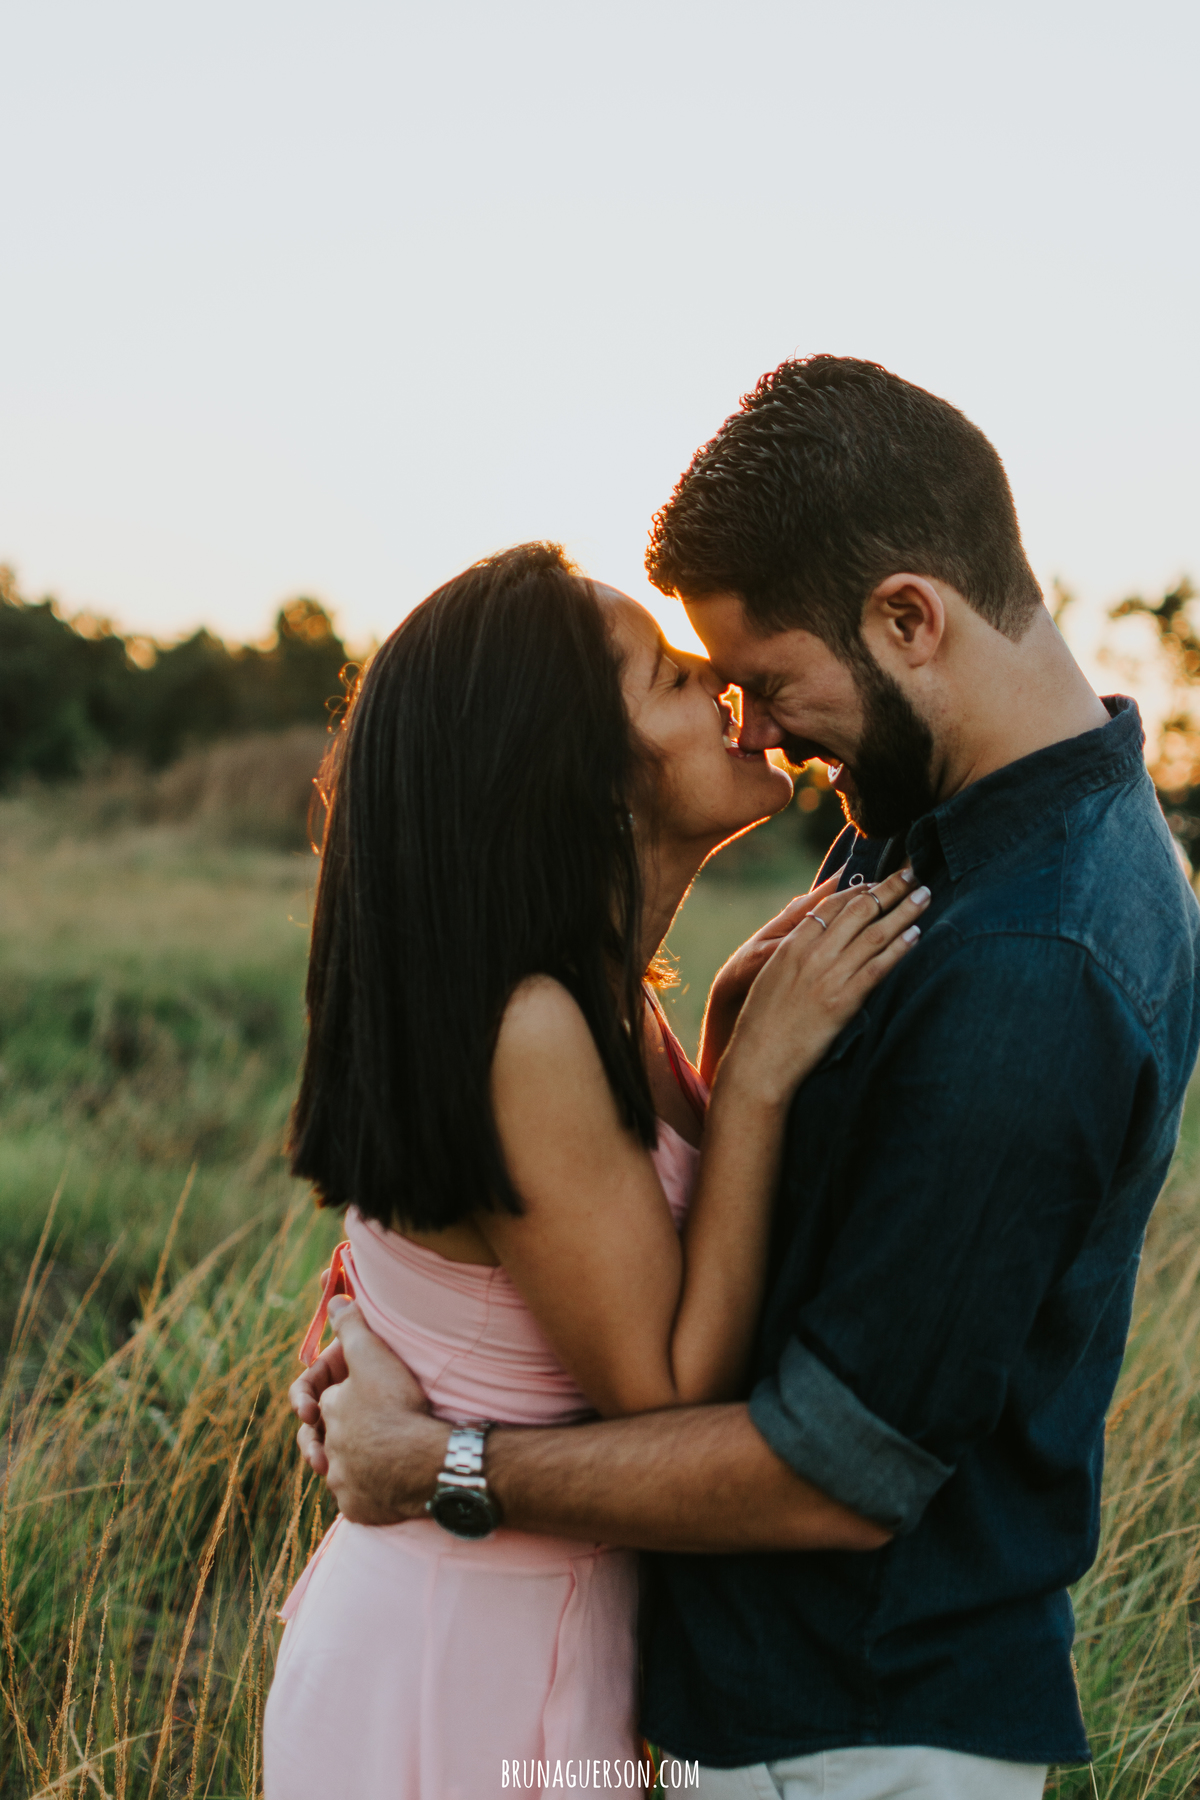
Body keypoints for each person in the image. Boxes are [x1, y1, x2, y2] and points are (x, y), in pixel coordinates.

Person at [294, 358, 1200, 1799]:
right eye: (695, 679)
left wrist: (440, 1460)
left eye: (763, 680)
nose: (754, 721)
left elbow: (835, 1467)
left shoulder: (1036, 953)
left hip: (852, 1731)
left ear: (910, 619)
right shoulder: (917, 827)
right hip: (634, 1693)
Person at [261, 539, 925, 1799]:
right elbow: (665, 1394)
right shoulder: (536, 1028)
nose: (723, 686)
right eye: (672, 677)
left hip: (524, 1632)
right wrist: (760, 1084)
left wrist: (729, 1036)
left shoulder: (608, 1004)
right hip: (472, 1668)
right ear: (574, 769)